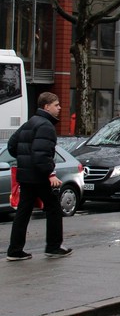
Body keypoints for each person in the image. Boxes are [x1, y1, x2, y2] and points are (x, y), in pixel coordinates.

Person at [6, 92, 71, 261]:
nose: (59, 108)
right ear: (46, 106)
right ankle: (53, 247)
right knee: (53, 208)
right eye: (56, 105)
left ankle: (15, 250)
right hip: (40, 176)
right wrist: (50, 174)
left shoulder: (29, 123)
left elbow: (12, 146)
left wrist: (24, 159)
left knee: (23, 211)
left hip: (26, 175)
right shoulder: (46, 126)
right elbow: (41, 154)